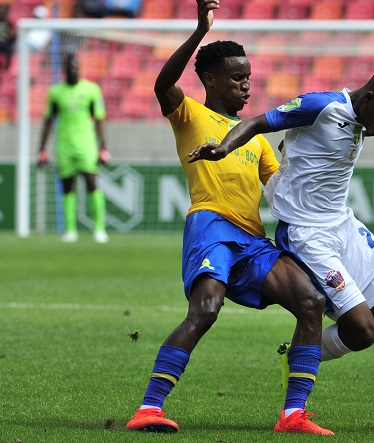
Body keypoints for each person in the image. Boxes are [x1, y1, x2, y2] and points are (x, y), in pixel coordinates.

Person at [189, 67, 374, 434]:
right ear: (370, 98)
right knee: (361, 331)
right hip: (307, 235)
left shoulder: (364, 116)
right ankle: (294, 355)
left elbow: (366, 126)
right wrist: (224, 147)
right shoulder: (318, 106)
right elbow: (257, 122)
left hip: (343, 226)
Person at [124, 0, 333, 435]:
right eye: (238, 78)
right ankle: (149, 408)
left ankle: (293, 415)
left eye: (249, 79)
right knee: (206, 309)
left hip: (253, 241)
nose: (247, 87)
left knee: (311, 302)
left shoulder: (254, 139)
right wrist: (200, 30)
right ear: (210, 79)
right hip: (211, 227)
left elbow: (282, 194)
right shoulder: (189, 115)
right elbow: (163, 82)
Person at [37, 52, 110, 243]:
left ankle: (99, 228)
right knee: (67, 186)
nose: (74, 70)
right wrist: (42, 149)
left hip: (86, 143)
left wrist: (103, 146)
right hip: (64, 144)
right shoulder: (55, 92)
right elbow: (48, 121)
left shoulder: (92, 89)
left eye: (76, 67)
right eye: (70, 67)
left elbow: (99, 119)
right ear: (65, 70)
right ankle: (70, 230)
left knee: (92, 182)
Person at [0, 4, 15, 71]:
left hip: (6, 43)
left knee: (10, 50)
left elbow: (14, 36)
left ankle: (8, 67)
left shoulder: (9, 23)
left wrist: (8, 32)